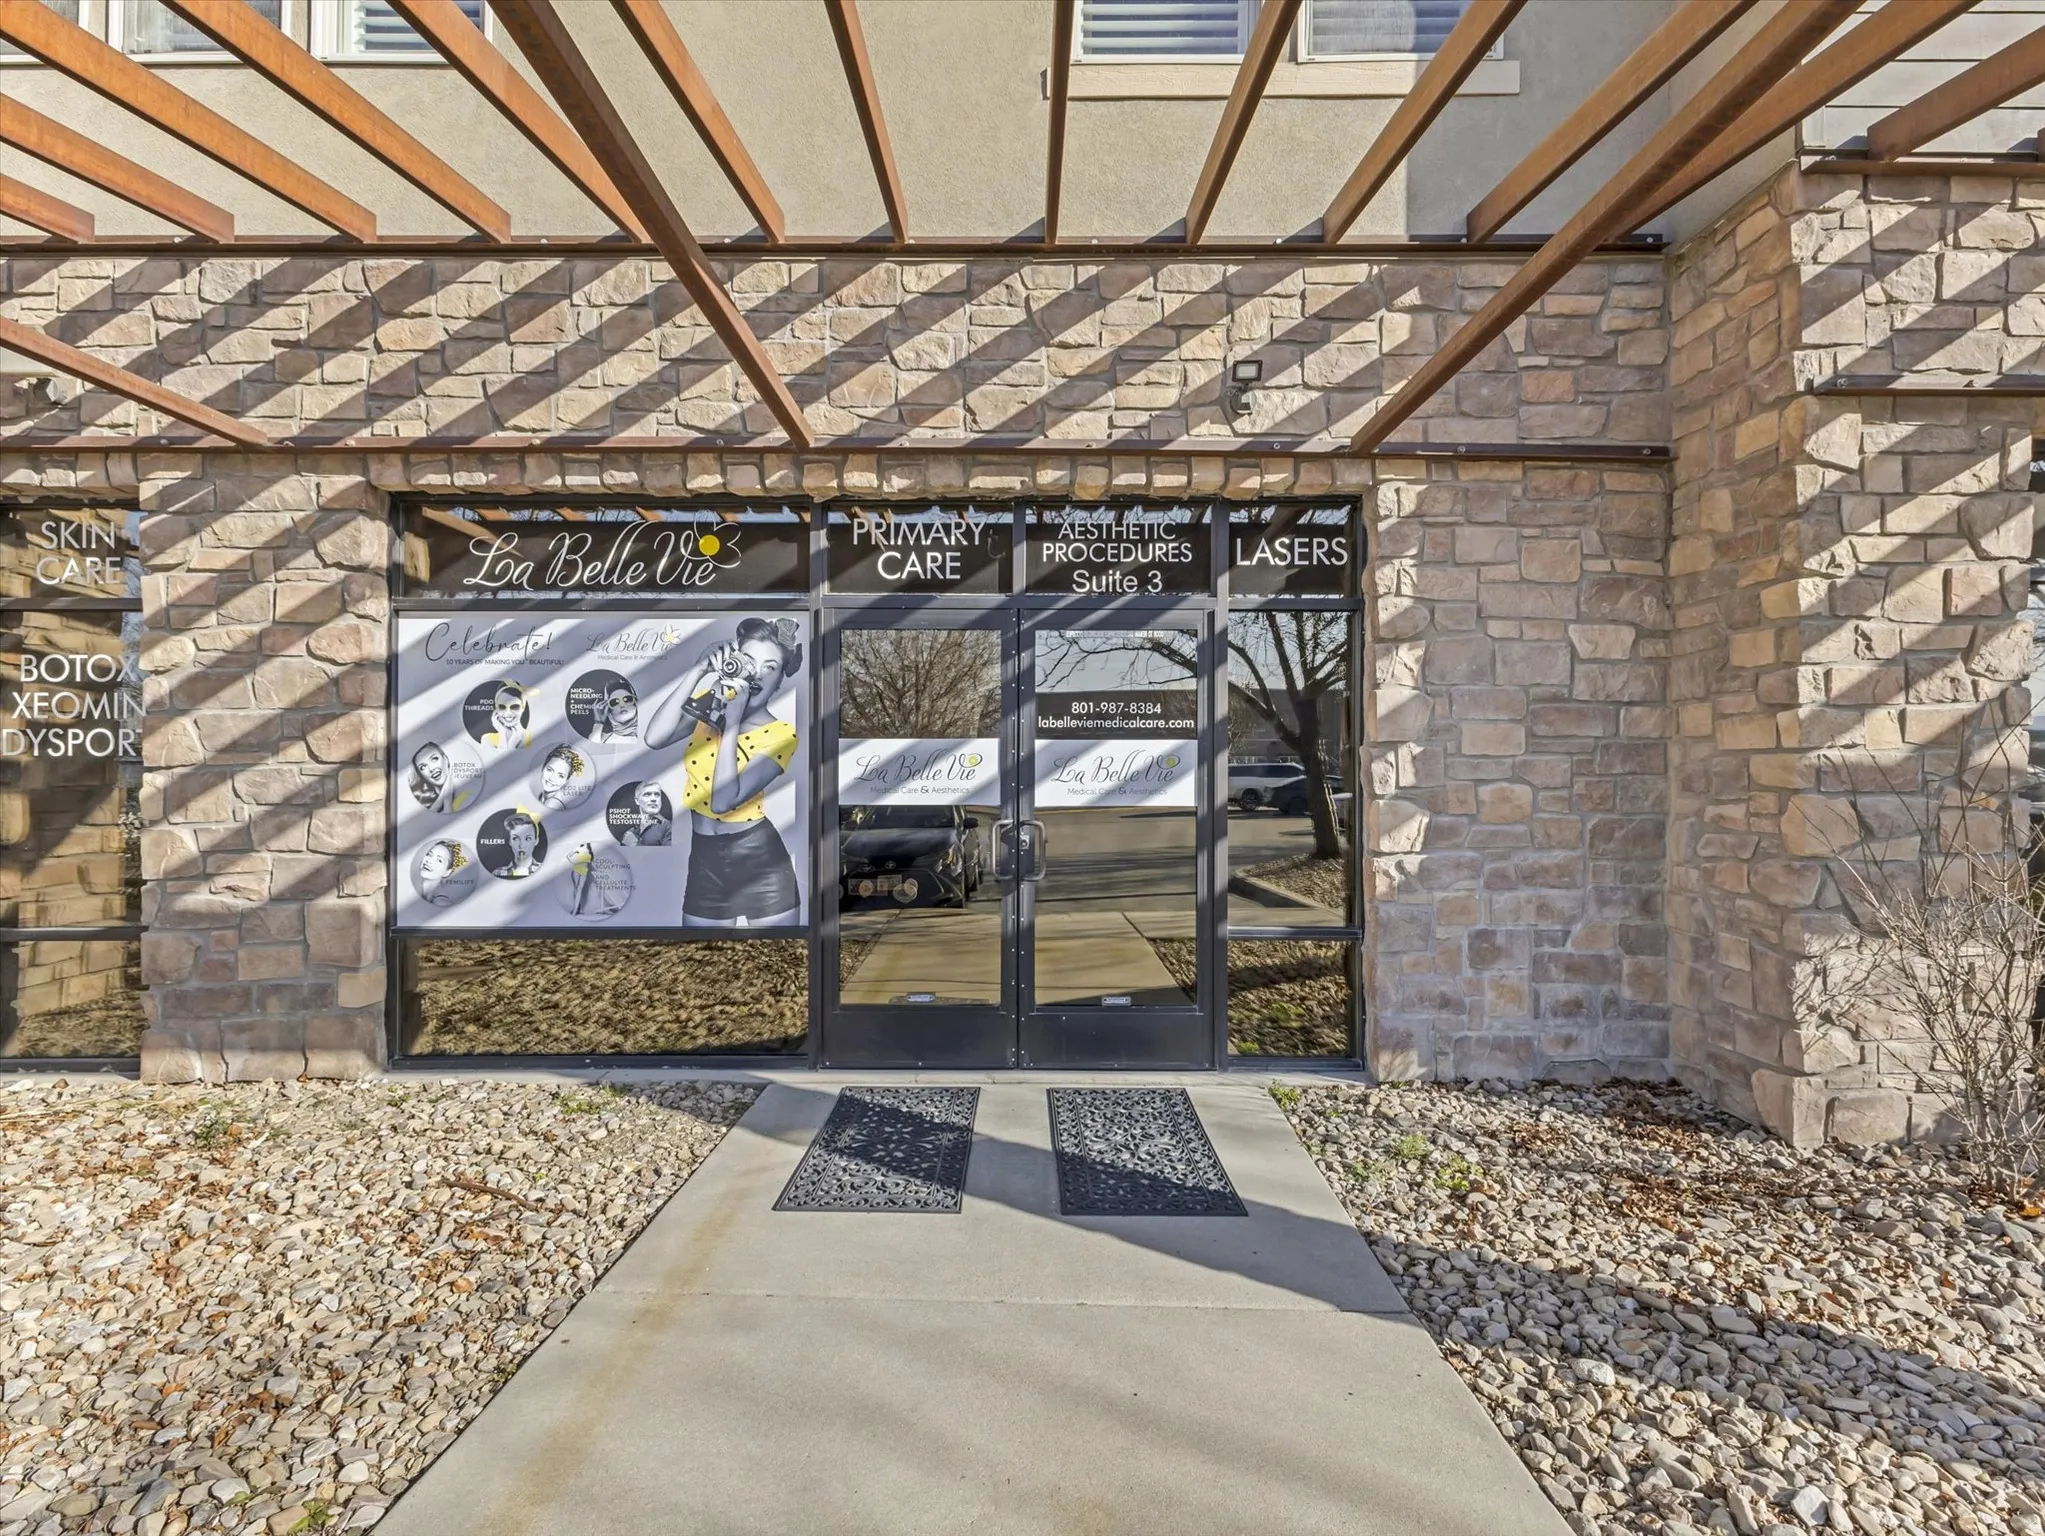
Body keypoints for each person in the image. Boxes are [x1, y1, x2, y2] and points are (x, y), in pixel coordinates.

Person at [643, 617, 802, 926]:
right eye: (748, 660)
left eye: (769, 666)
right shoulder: (709, 708)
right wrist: (697, 672)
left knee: (775, 964)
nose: (755, 672)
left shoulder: (782, 734)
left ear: (780, 680)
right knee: (703, 965)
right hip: (705, 857)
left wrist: (732, 722)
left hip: (760, 862)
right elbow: (654, 738)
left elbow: (722, 801)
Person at [481, 682, 530, 754]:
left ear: (523, 707)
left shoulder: (532, 737)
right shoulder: (488, 739)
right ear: (496, 709)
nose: (508, 713)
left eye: (514, 707)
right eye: (502, 707)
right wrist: (503, 734)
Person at [619, 781, 672, 846]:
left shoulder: (668, 827)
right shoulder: (630, 833)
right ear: (637, 801)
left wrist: (634, 845)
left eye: (657, 794)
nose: (653, 799)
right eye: (647, 794)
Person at [417, 839, 467, 905]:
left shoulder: (441, 901)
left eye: (439, 860)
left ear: (447, 872)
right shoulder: (422, 895)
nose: (429, 861)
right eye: (429, 854)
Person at [537, 744, 587, 811]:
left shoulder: (553, 804)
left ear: (566, 780)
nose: (551, 778)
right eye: (549, 770)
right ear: (543, 767)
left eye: (560, 776)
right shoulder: (542, 797)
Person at [408, 742, 451, 810]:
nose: (431, 769)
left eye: (434, 759)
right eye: (423, 767)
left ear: (445, 760)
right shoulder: (424, 804)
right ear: (421, 774)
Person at [502, 811, 543, 879]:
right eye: (515, 838)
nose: (521, 845)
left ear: (536, 841)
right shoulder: (499, 872)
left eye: (528, 838)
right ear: (510, 841)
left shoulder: (546, 868)